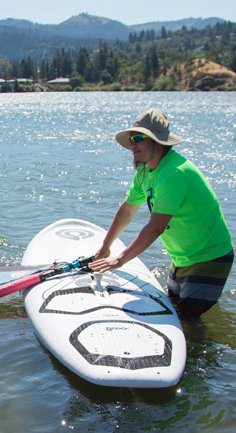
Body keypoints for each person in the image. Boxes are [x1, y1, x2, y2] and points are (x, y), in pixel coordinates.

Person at [89, 108, 233, 318]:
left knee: (186, 321)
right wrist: (105, 247)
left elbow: (156, 227)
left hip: (208, 257)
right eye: (131, 138)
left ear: (158, 142)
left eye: (139, 138)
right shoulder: (145, 171)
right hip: (181, 258)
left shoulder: (173, 172)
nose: (132, 144)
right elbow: (128, 209)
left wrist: (119, 260)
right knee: (173, 312)